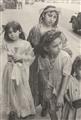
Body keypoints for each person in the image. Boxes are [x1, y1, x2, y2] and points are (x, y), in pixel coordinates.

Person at [27, 5, 72, 116]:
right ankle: (33, 105)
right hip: (38, 60)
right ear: (43, 15)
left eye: (54, 17)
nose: (52, 19)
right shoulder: (36, 28)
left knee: (48, 85)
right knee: (36, 83)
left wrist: (66, 52)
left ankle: (45, 106)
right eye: (49, 15)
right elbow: (29, 44)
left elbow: (64, 44)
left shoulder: (57, 30)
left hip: (52, 62)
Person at [2, 21, 35, 120]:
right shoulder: (6, 43)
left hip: (20, 70)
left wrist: (21, 57)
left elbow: (31, 57)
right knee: (10, 89)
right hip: (9, 69)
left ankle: (23, 110)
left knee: (21, 89)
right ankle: (13, 110)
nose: (12, 34)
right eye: (9, 32)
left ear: (19, 31)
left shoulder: (25, 44)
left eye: (14, 32)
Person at [37, 30, 72, 120]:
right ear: (46, 48)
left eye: (60, 43)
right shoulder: (42, 57)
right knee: (51, 109)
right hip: (50, 86)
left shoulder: (65, 57)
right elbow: (41, 71)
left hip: (63, 88)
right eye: (55, 46)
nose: (59, 47)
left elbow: (66, 76)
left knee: (63, 111)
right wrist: (46, 83)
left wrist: (60, 95)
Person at [61, 55, 81, 120]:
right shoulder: (70, 80)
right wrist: (69, 100)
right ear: (75, 68)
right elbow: (64, 92)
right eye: (80, 69)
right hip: (71, 105)